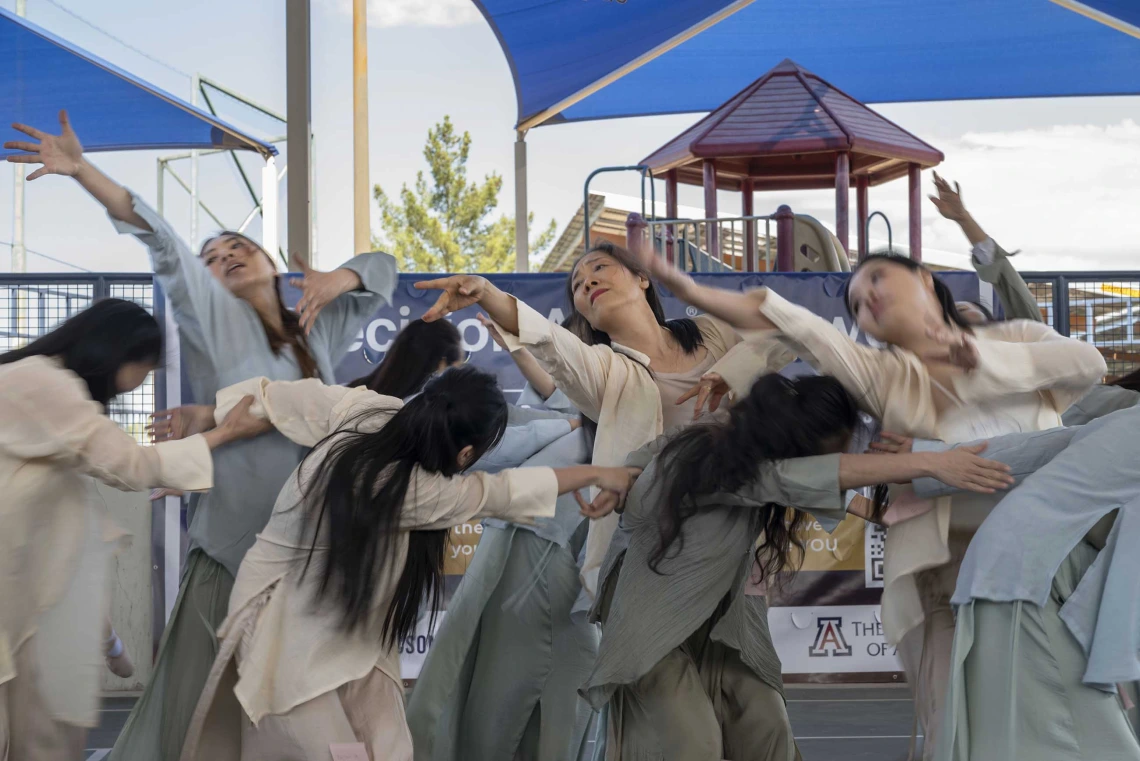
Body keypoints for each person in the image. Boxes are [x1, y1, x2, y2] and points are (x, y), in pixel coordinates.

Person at [4, 110, 399, 761]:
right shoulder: (216, 318)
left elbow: (383, 265)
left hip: (308, 546)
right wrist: (82, 172)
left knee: (299, 705)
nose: (226, 257)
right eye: (212, 258)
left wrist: (341, 278)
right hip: (231, 544)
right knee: (191, 702)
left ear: (271, 260)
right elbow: (159, 239)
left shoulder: (318, 328)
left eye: (239, 247)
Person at [630, 245, 1106, 759]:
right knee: (957, 731)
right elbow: (794, 325)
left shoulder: (1013, 340)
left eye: (878, 278)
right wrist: (690, 290)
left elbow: (1089, 364)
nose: (867, 299)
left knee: (1076, 719)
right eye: (855, 302)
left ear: (924, 279)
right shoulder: (883, 375)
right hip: (949, 584)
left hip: (1053, 572)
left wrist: (981, 357)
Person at [175, 366, 640, 760]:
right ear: (465, 454)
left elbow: (279, 396)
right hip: (281, 629)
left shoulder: (371, 411)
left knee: (390, 744)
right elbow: (507, 491)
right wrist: (601, 472)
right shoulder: (417, 491)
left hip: (349, 628)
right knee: (327, 749)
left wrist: (210, 416)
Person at [580, 372, 1015, 761]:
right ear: (791, 444)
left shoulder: (730, 442)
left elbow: (800, 479)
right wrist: (935, 461)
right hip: (651, 624)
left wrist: (629, 472)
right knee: (692, 743)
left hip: (721, 621)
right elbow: (803, 477)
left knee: (766, 726)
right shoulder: (717, 464)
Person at [0, 299, 267, 761]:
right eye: (145, 368)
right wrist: (225, 434)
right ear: (117, 354)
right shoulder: (47, 384)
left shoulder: (37, 382)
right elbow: (130, 464)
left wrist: (111, 646)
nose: (144, 381)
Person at [887, 409, 1140, 760]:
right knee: (1091, 743)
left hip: (1027, 573)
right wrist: (924, 459)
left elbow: (1042, 448)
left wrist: (926, 457)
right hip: (1035, 581)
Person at [408, 322, 602, 761]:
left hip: (556, 557)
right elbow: (515, 437)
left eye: (568, 351)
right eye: (551, 351)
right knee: (487, 686)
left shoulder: (614, 408)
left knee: (551, 685)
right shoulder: (538, 415)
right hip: (511, 548)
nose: (556, 361)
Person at [929, 173, 1140, 429]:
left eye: (967, 310)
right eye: (956, 316)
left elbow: (1007, 280)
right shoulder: (947, 390)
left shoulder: (1027, 352)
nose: (964, 314)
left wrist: (964, 219)